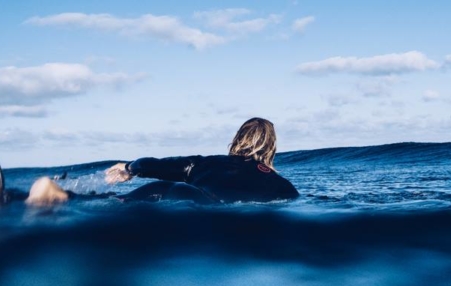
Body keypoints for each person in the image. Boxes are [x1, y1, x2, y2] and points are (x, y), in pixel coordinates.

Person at [0, 118, 299, 206]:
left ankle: (37, 194)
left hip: (174, 193)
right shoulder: (286, 189)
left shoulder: (207, 162)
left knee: (111, 200)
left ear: (237, 141)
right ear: (271, 150)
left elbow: (158, 163)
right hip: (203, 207)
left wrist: (129, 167)